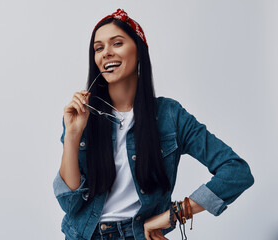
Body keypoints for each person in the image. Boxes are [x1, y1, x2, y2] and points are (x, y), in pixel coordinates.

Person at [53, 9, 254, 240]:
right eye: (99, 48)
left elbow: (236, 171)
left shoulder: (170, 115)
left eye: (116, 43)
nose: (106, 53)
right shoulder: (81, 116)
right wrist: (72, 135)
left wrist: (175, 214)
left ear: (139, 51)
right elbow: (70, 203)